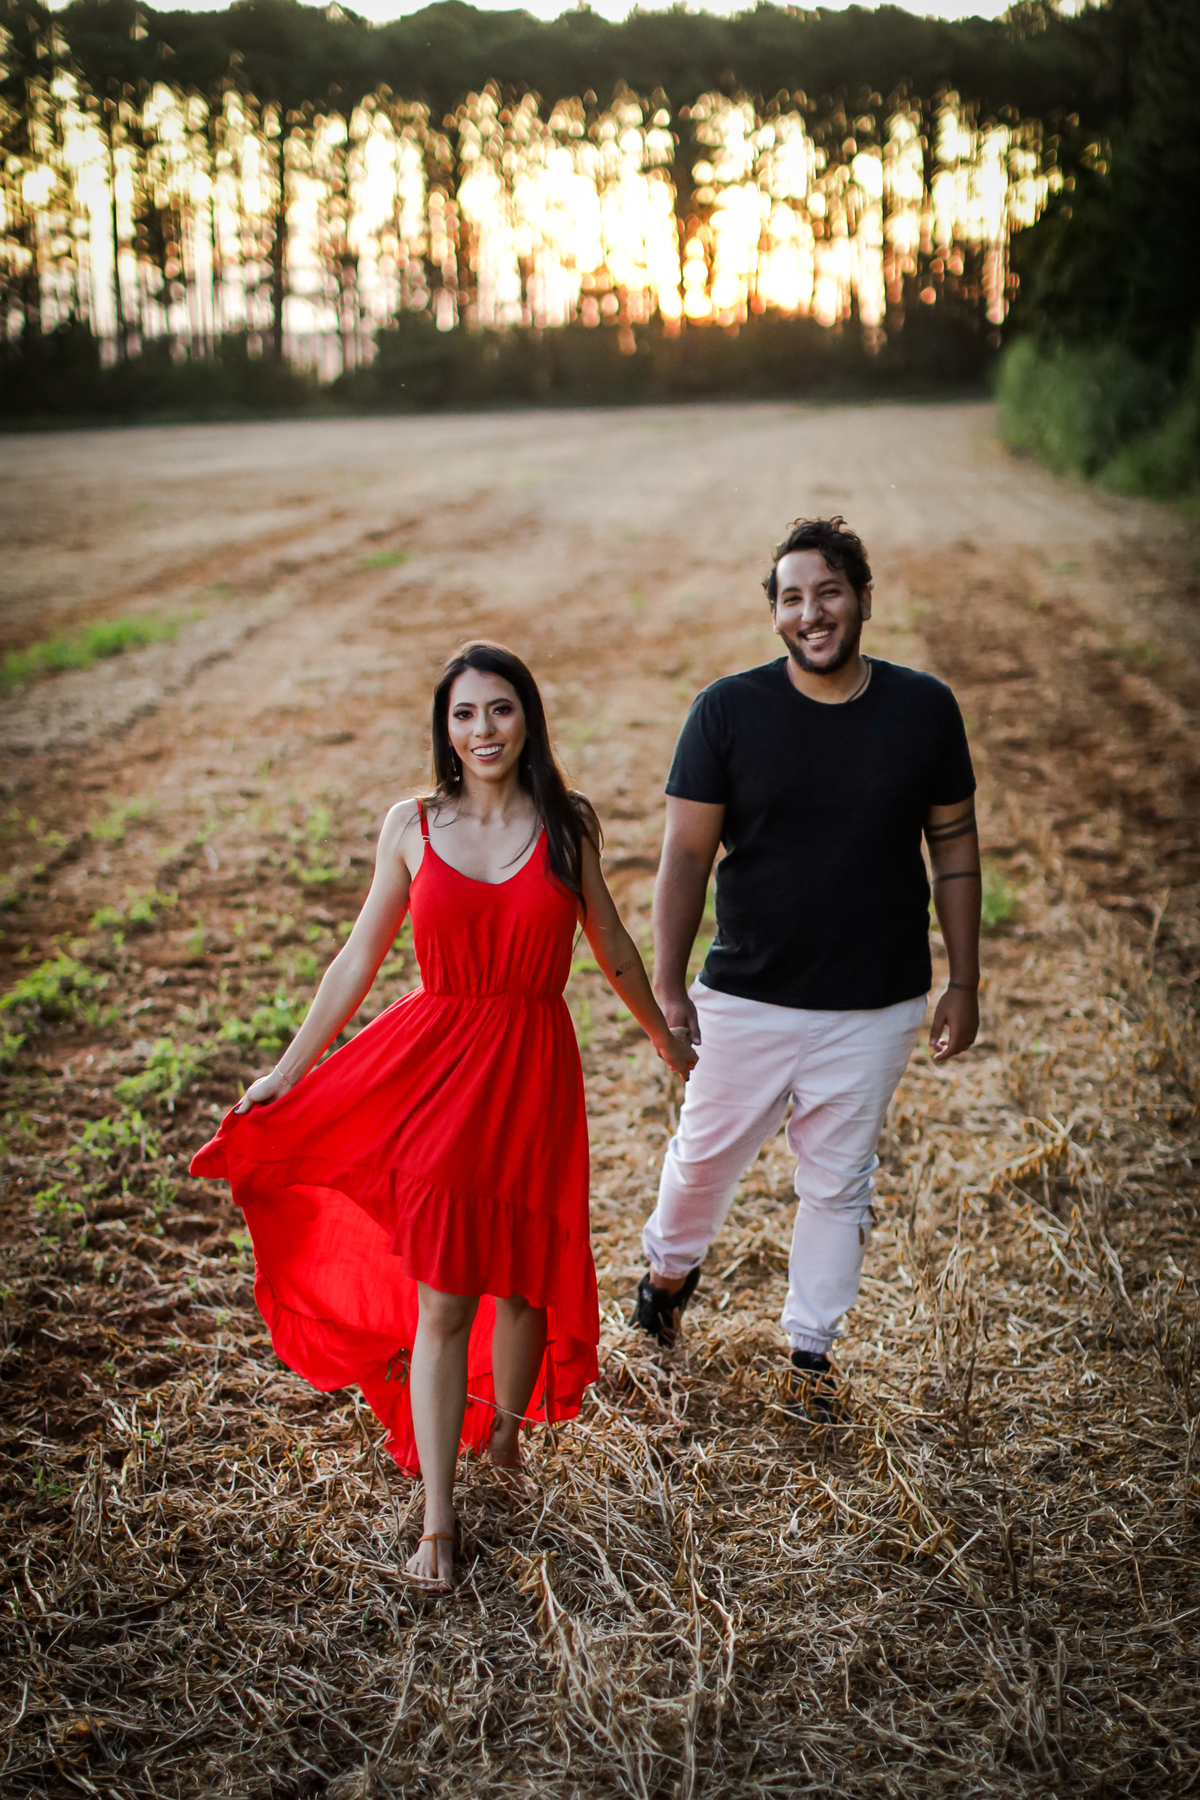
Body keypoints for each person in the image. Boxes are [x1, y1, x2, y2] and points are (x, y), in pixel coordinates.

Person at [191, 642, 695, 1594]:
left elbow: (615, 948)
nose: (483, 731)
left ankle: (504, 1438)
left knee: (520, 1283)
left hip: (535, 1072)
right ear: (445, 728)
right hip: (435, 1074)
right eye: (464, 715)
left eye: (500, 710)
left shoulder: (565, 828)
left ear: (528, 719)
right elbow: (355, 962)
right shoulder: (412, 827)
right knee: (445, 1296)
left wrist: (666, 1034)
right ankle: (438, 1520)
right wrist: (288, 1072)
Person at [630, 517, 980, 1422]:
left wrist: (966, 980)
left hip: (877, 1003)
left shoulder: (923, 710)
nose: (811, 613)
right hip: (747, 998)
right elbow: (683, 860)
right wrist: (668, 988)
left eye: (827, 592)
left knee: (838, 1183)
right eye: (791, 597)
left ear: (863, 598)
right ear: (775, 612)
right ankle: (665, 1283)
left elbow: (954, 847)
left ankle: (810, 1356)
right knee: (702, 1160)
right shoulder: (728, 712)